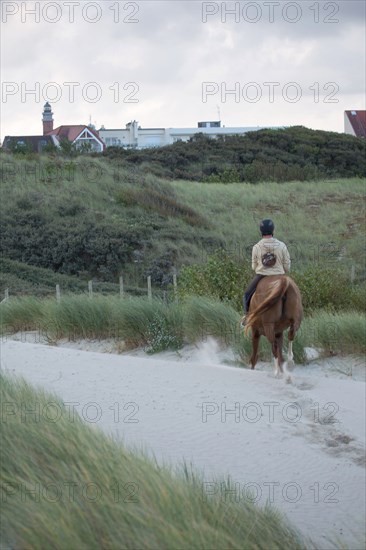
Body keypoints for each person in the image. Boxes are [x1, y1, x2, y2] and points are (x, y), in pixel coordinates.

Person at [241, 219, 291, 326]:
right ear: (273, 230)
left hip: (261, 277)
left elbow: (254, 266)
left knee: (246, 295)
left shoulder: (256, 247)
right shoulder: (282, 245)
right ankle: (294, 317)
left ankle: (247, 317)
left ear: (261, 231)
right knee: (292, 294)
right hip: (279, 277)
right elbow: (287, 266)